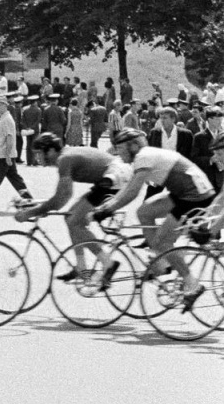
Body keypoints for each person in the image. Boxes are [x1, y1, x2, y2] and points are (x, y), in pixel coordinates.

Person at [92, 128, 216, 307]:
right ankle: (162, 263)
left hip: (195, 196)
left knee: (163, 242)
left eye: (120, 148)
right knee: (144, 212)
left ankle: (192, 283)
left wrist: (107, 210)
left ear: (133, 146)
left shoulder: (144, 156)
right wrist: (107, 206)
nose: (117, 153)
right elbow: (128, 189)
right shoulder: (143, 156)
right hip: (185, 191)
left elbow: (133, 192)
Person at [15, 133, 131, 281]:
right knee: (71, 217)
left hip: (113, 179)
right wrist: (43, 208)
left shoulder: (64, 160)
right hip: (114, 175)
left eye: (38, 154)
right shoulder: (65, 155)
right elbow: (60, 198)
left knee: (74, 221)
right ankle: (81, 268)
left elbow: (62, 197)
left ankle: (108, 263)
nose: (36, 158)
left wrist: (32, 212)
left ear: (50, 151)